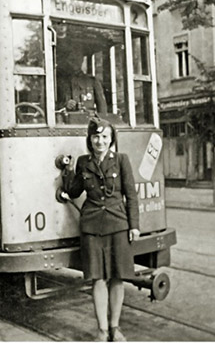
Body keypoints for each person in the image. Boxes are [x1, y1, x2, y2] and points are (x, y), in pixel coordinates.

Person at [59, 117, 140, 342]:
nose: (100, 141)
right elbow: (75, 191)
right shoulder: (83, 162)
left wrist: (134, 226)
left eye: (105, 137)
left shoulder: (121, 160)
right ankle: (102, 330)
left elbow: (131, 196)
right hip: (92, 226)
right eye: (96, 137)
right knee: (97, 279)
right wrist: (66, 171)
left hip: (117, 223)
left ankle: (115, 328)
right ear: (90, 139)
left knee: (117, 277)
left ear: (112, 139)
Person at [56, 46, 107, 114]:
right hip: (66, 122)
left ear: (82, 59)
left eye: (78, 57)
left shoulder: (92, 81)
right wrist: (64, 105)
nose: (75, 61)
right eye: (71, 58)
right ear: (67, 60)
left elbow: (102, 108)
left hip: (88, 121)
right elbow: (50, 106)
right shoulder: (58, 82)